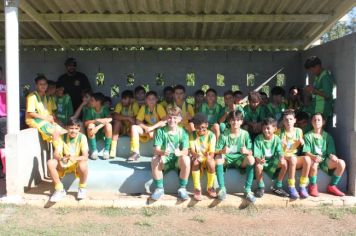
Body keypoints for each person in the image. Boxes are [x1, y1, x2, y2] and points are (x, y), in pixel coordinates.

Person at [150, 105, 191, 201]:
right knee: (155, 159)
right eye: (169, 117)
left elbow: (186, 151)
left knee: (186, 158)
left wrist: (180, 153)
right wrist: (162, 152)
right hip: (165, 159)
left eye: (175, 118)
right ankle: (159, 188)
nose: (172, 120)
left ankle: (182, 188)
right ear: (166, 118)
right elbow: (155, 150)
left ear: (179, 119)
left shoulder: (183, 132)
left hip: (177, 160)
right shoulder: (160, 131)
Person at [215, 110, 255, 202]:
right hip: (227, 159)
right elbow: (216, 151)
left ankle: (247, 190)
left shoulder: (245, 134)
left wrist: (246, 151)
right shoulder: (225, 134)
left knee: (251, 159)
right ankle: (222, 189)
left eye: (238, 120)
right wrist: (222, 151)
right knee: (218, 158)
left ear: (241, 121)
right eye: (233, 120)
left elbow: (250, 152)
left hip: (240, 159)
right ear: (229, 121)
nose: (235, 122)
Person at [303, 113, 346, 197]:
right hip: (313, 159)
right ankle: (313, 186)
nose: (317, 121)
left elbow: (330, 152)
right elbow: (306, 152)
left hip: (324, 160)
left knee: (341, 163)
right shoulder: (307, 136)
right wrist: (314, 157)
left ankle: (332, 186)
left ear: (323, 122)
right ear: (311, 122)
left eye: (319, 120)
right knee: (314, 165)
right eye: (314, 120)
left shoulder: (328, 136)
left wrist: (332, 156)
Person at [48, 119, 89, 202]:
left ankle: (82, 188)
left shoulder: (82, 137)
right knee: (51, 162)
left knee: (83, 164)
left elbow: (85, 156)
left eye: (76, 128)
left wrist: (74, 158)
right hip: (64, 163)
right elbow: (56, 153)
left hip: (76, 165)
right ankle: (59, 190)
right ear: (67, 128)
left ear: (79, 129)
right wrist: (61, 158)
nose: (73, 131)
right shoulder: (62, 137)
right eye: (71, 128)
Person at [276, 109, 311, 199]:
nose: (288, 121)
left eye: (291, 119)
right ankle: (291, 186)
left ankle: (303, 186)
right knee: (293, 158)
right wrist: (280, 143)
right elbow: (274, 147)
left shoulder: (299, 131)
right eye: (286, 119)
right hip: (283, 157)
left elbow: (301, 145)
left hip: (293, 157)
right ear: (283, 121)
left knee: (307, 159)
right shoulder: (279, 132)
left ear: (295, 120)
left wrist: (302, 142)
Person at [254, 117, 289, 198]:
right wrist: (259, 160)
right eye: (264, 128)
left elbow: (280, 152)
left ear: (275, 129)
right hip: (262, 162)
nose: (266, 130)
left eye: (268, 128)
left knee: (284, 163)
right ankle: (261, 187)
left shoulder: (277, 139)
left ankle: (278, 186)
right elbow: (256, 155)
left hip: (272, 161)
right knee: (258, 166)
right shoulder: (258, 139)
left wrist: (281, 157)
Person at [25, 75, 66, 142]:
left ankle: (59, 151)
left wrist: (52, 118)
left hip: (46, 120)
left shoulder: (47, 97)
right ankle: (56, 151)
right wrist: (46, 118)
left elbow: (51, 113)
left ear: (47, 85)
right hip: (34, 120)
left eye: (44, 84)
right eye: (40, 84)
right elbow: (31, 113)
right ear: (36, 85)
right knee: (56, 131)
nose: (43, 86)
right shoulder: (32, 96)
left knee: (62, 130)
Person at [129, 91, 166, 162]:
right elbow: (138, 121)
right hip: (148, 129)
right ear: (146, 100)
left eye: (153, 99)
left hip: (157, 129)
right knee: (134, 127)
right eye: (149, 99)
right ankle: (136, 152)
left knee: (162, 126)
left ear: (156, 100)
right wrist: (146, 128)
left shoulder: (159, 107)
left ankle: (159, 153)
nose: (151, 101)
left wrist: (152, 128)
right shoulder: (144, 107)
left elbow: (164, 120)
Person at [189, 113, 217, 201]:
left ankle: (210, 187)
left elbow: (212, 152)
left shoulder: (211, 135)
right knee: (195, 162)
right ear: (194, 126)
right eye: (198, 127)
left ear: (207, 125)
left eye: (203, 127)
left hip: (206, 157)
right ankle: (197, 189)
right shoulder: (193, 135)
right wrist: (196, 155)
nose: (200, 130)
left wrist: (209, 156)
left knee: (211, 163)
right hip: (197, 157)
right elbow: (192, 150)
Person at [83, 92, 112, 160]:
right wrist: (96, 121)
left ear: (98, 102)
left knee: (109, 125)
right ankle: (94, 151)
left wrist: (98, 127)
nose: (90, 102)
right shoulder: (90, 110)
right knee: (90, 126)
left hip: (102, 131)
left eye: (92, 100)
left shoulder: (104, 108)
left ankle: (106, 151)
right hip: (93, 132)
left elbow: (110, 119)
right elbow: (86, 123)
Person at [110, 90, 139, 158]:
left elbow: (136, 119)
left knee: (133, 124)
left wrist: (125, 118)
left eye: (125, 99)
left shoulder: (135, 105)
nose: (123, 100)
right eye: (122, 98)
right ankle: (113, 149)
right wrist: (128, 118)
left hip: (130, 129)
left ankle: (133, 150)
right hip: (122, 128)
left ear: (131, 99)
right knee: (117, 122)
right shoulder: (119, 104)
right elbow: (115, 116)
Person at [304, 56, 334, 121]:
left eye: (312, 69)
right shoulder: (318, 76)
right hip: (315, 110)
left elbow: (328, 95)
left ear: (317, 66)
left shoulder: (325, 77)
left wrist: (313, 90)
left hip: (321, 112)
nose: (311, 72)